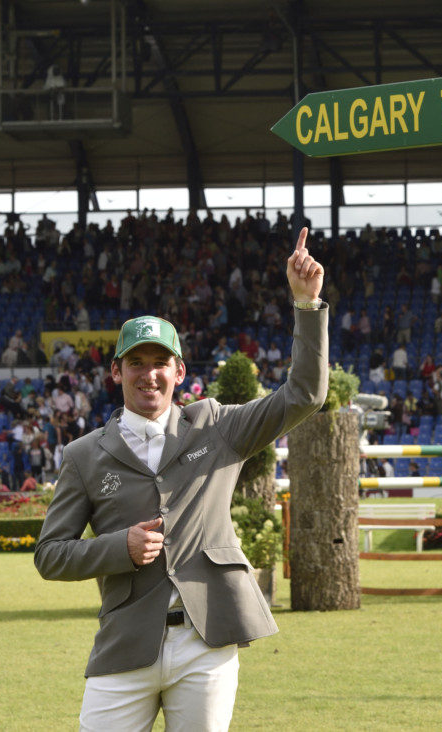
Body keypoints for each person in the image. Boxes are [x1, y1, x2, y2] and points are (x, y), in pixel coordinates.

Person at [34, 228, 327, 731]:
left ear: (179, 371)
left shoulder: (216, 425)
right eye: (136, 363)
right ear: (116, 372)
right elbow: (50, 554)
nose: (149, 374)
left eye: (160, 364)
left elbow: (303, 396)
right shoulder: (83, 455)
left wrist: (307, 304)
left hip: (206, 642)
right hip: (125, 645)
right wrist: (117, 548)